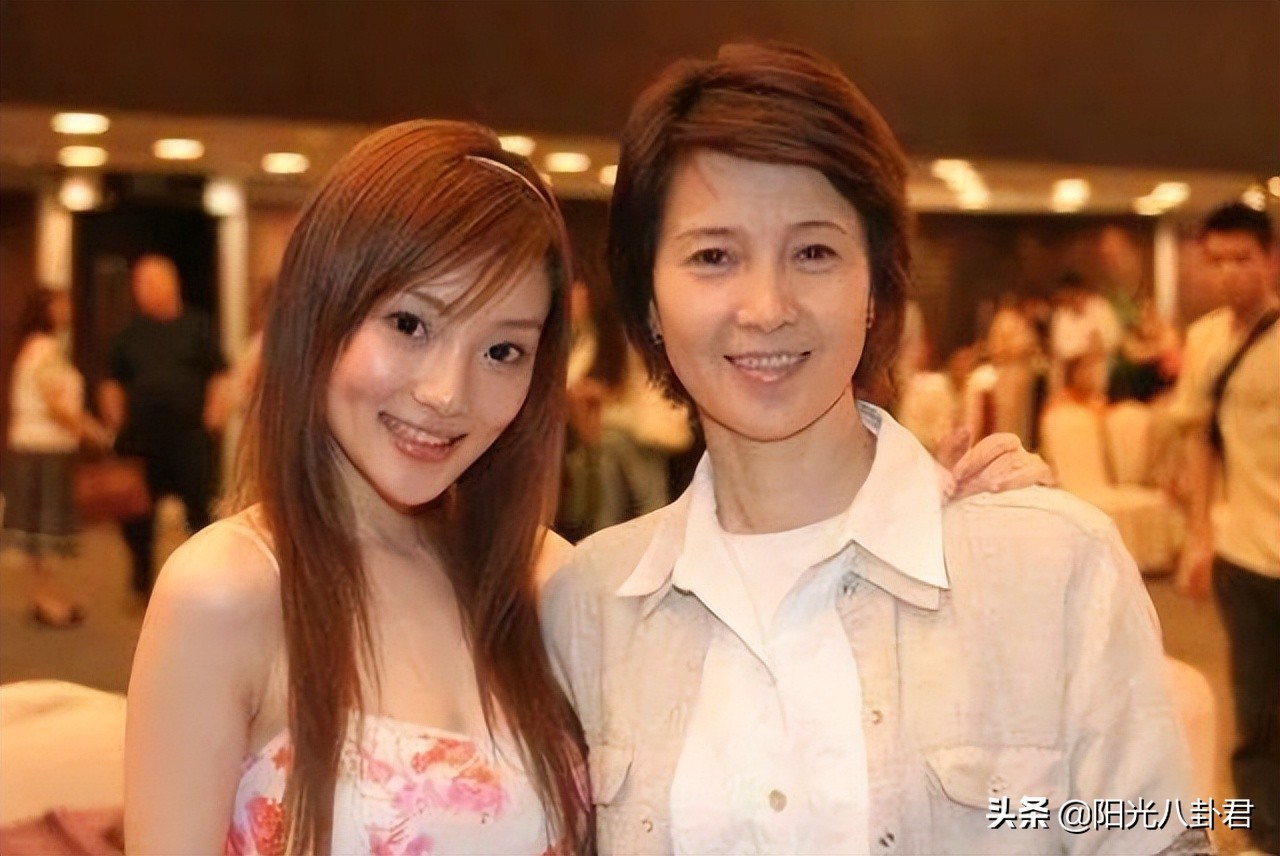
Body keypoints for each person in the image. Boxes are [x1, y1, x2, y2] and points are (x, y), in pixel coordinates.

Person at [543, 43, 1199, 855]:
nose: (767, 306)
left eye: (814, 253)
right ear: (647, 300)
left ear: (877, 286)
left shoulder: (1051, 565)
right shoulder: (589, 607)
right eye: (713, 256)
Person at [124, 121, 591, 853]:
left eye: (503, 350)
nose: (447, 393)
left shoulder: (549, 580)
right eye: (410, 324)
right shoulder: (226, 590)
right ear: (320, 312)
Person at [1172, 202, 1279, 855]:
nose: (1229, 273)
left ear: (1270, 259)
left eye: (1243, 258)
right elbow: (1198, 441)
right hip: (1243, 548)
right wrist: (1199, 536)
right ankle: (1264, 830)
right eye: (1217, 261)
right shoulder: (1205, 341)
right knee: (1255, 701)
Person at [98, 254, 230, 595]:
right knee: (137, 515)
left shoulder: (198, 327)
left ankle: (206, 579)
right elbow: (111, 381)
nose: (142, 290)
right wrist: (114, 418)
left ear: (171, 283)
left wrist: (216, 412)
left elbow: (219, 374)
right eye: (139, 284)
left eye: (150, 282)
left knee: (200, 509)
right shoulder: (128, 334)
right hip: (142, 439)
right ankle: (142, 578)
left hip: (189, 436)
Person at [3, 287, 108, 626]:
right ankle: (47, 600)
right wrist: (91, 431)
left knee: (37, 530)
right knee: (46, 528)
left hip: (34, 446)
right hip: (44, 448)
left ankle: (45, 596)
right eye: (61, 304)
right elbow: (55, 404)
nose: (68, 310)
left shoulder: (35, 347)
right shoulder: (44, 350)